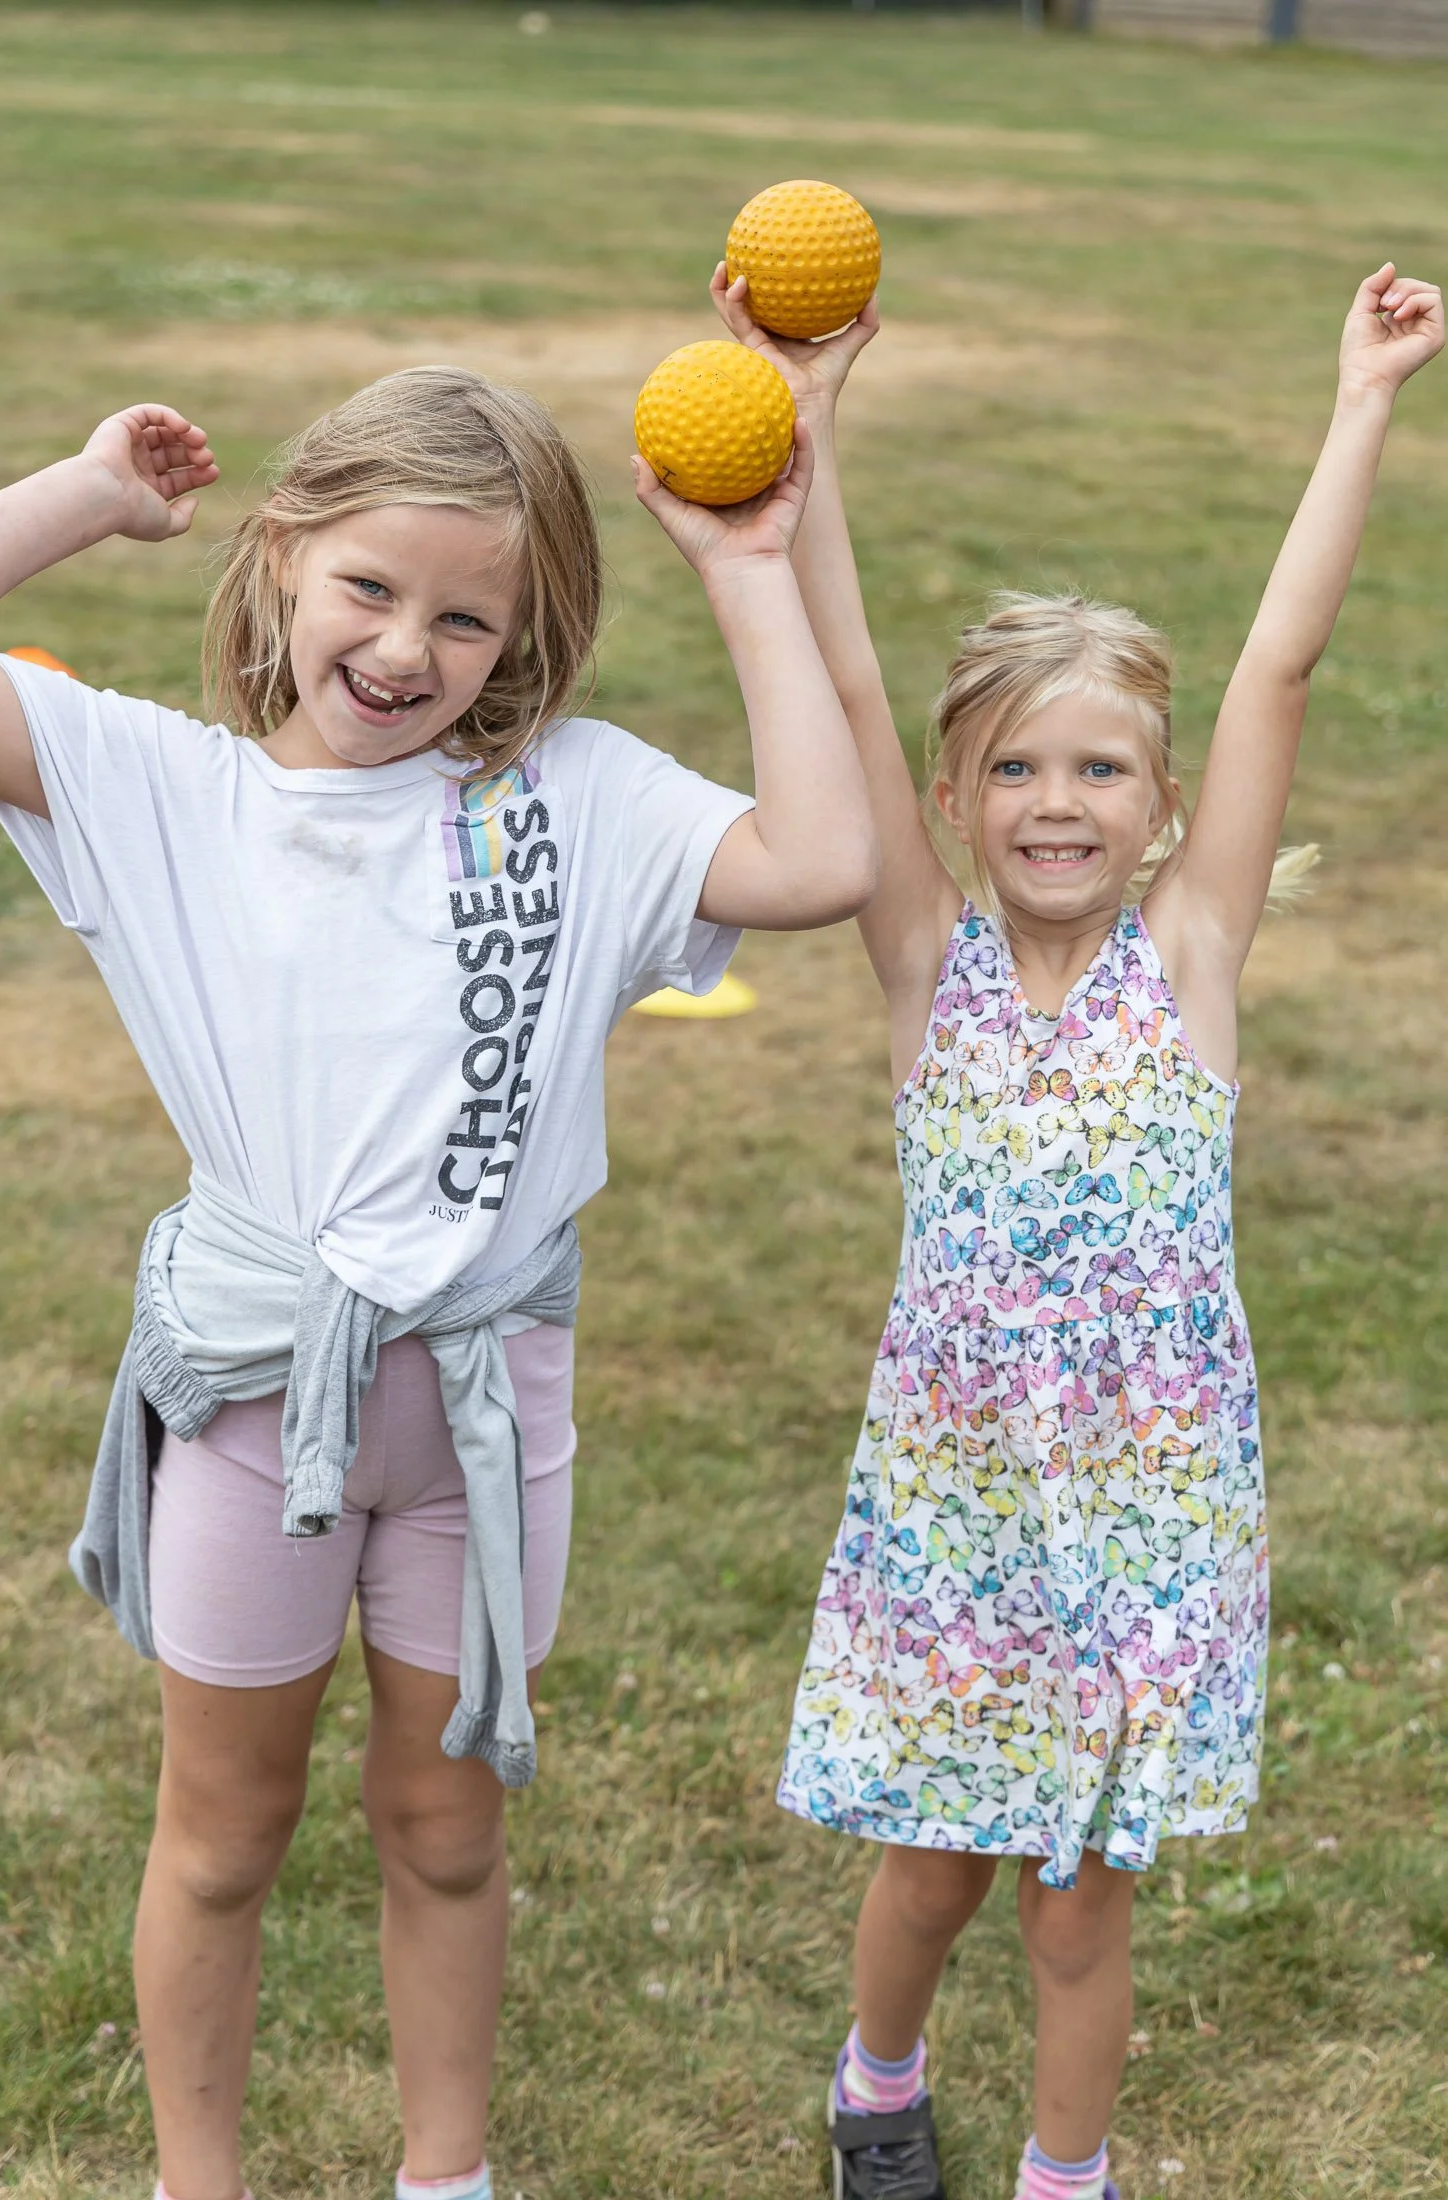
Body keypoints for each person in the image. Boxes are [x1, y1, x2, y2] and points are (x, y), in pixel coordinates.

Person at [0, 364, 877, 2200]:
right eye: (369, 589)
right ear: (281, 557)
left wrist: (746, 567)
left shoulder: (581, 799)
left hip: (483, 1417)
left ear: (524, 637)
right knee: (222, 1836)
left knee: (448, 1825)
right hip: (257, 1405)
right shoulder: (162, 793)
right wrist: (85, 495)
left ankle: (444, 2177)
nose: (405, 650)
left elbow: (825, 857)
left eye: (467, 619)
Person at [706, 259, 1443, 2200]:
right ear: (954, 797)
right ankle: (877, 2076)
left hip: (1143, 1508)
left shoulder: (1188, 957)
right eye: (1016, 769)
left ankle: (1065, 2173)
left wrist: (1361, 401)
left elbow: (1277, 664)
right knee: (933, 1864)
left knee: (1076, 1900)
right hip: (952, 1504)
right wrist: (810, 421)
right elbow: (846, 687)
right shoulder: (919, 960)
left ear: (1162, 804)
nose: (1057, 802)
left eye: (1100, 768)